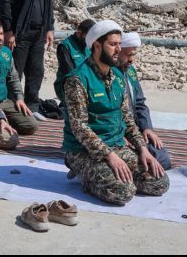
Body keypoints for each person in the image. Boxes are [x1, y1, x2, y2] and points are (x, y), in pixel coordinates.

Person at [62, 20, 169, 206]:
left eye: (119, 44)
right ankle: (85, 176)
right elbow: (79, 127)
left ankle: (112, 174)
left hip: (117, 145)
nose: (118, 49)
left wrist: (142, 148)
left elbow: (127, 120)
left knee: (159, 182)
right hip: (85, 151)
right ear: (97, 46)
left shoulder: (118, 77)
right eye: (113, 44)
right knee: (123, 192)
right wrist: (109, 156)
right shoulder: (77, 79)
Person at [0, 0, 55, 118]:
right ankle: (11, 105)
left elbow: (48, 5)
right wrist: (8, 30)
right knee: (16, 71)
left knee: (36, 71)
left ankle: (33, 107)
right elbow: (6, 3)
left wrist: (50, 28)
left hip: (38, 33)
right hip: (19, 34)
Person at [118, 32, 172, 170]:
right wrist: (117, 135)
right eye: (128, 55)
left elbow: (140, 104)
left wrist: (147, 128)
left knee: (162, 160)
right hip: (116, 133)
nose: (132, 60)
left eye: (133, 55)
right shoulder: (107, 74)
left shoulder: (130, 72)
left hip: (134, 130)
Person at [0, 19, 38, 135]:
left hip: (5, 101)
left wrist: (19, 98)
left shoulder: (6, 53)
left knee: (31, 126)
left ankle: (3, 121)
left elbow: (13, 78)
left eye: (1, 33)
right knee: (6, 136)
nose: (0, 38)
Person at [54, 19, 95, 104]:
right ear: (79, 33)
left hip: (87, 85)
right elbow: (70, 74)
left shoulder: (89, 45)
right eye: (87, 37)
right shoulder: (65, 47)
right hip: (70, 87)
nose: (90, 40)